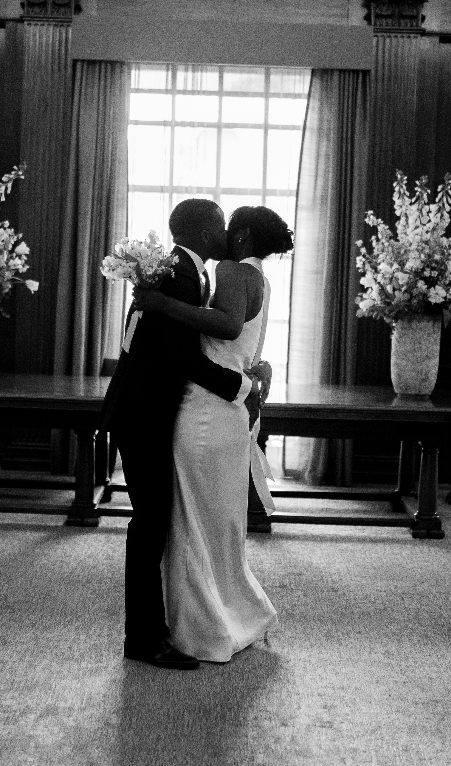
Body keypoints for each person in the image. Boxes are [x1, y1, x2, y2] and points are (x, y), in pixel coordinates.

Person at [99, 199, 258, 670]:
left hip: (142, 407)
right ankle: (144, 638)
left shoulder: (181, 272)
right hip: (145, 412)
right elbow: (179, 357)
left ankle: (150, 630)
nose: (225, 230)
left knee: (152, 522)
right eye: (219, 222)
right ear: (204, 230)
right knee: (149, 524)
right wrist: (241, 387)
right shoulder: (182, 277)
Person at [131, 205, 293, 663]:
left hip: (206, 409)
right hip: (227, 409)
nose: (221, 234)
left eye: (227, 227)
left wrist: (162, 303)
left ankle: (204, 629)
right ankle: (230, 613)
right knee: (218, 524)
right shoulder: (260, 277)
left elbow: (227, 325)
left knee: (192, 524)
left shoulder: (229, 269)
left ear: (240, 236)